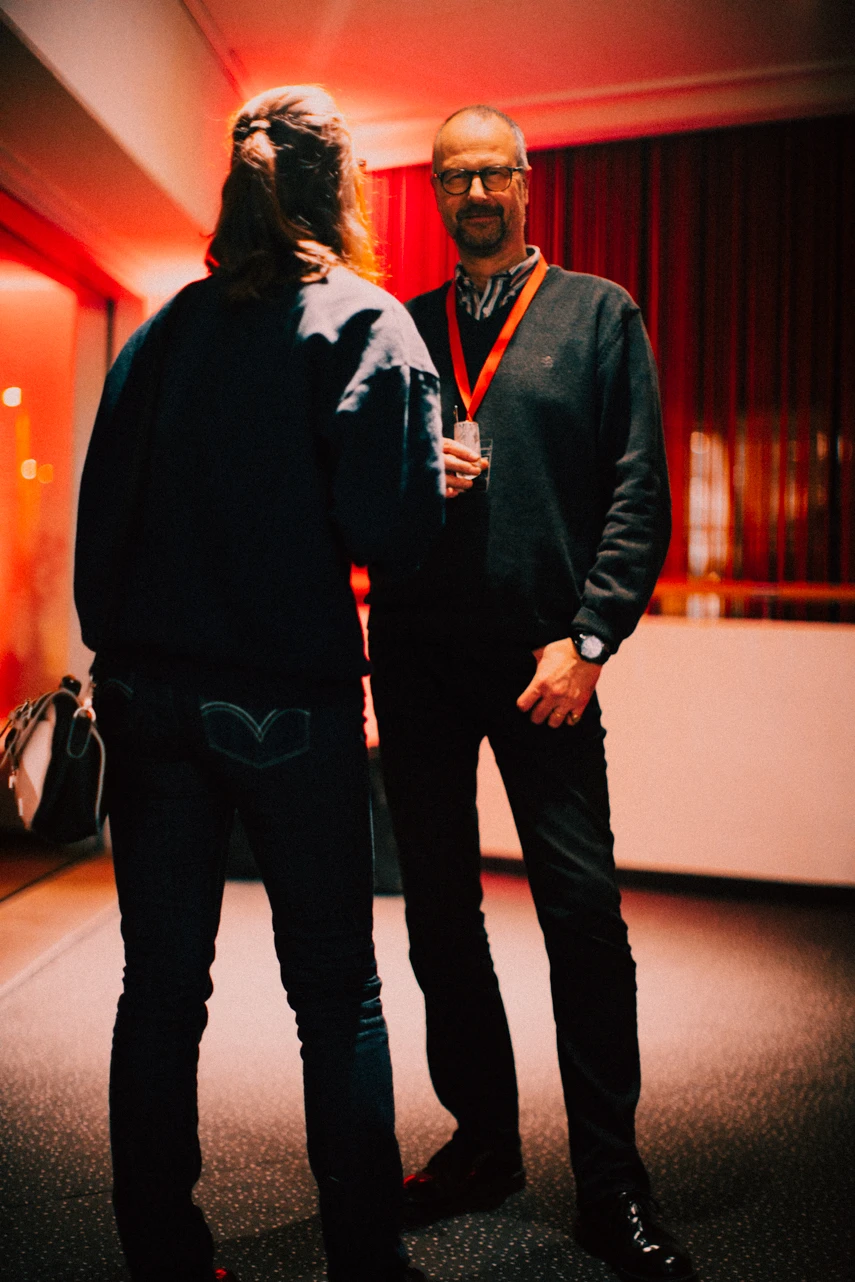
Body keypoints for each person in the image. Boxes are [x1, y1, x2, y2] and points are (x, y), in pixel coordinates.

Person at [74, 86, 445, 1282]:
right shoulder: (364, 323)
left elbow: (101, 525)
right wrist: (432, 474)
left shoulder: (163, 333)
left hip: (147, 697)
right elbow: (392, 535)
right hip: (290, 699)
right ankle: (365, 1262)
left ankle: (166, 1258)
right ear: (340, 188)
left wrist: (125, 659)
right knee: (336, 995)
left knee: (159, 988)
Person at [367, 105, 697, 1282]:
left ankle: (612, 1180)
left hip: (545, 667)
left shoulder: (600, 314)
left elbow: (640, 491)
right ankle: (485, 1143)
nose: (474, 194)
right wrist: (413, 471)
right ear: (436, 193)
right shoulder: (399, 330)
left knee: (584, 916)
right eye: (454, 176)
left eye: (492, 173)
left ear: (524, 182)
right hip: (416, 660)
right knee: (439, 914)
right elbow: (354, 495)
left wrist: (591, 639)